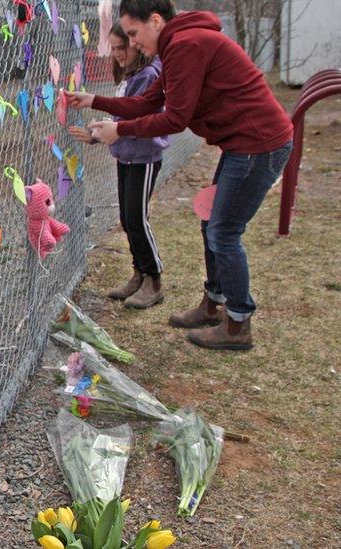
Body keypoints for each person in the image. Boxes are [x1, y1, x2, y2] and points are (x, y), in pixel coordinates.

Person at [66, 0, 293, 351]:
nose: (133, 42)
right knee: (211, 223)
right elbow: (146, 103)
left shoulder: (186, 46)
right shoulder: (176, 46)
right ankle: (214, 302)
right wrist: (94, 99)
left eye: (133, 33)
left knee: (224, 231)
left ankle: (238, 323)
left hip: (257, 144)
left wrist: (120, 131)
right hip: (243, 144)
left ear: (155, 21)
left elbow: (175, 118)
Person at [68, 23, 170, 309]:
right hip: (126, 155)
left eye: (120, 47)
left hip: (144, 156)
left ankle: (154, 279)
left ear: (135, 44)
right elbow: (120, 120)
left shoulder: (149, 75)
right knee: (127, 218)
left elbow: (139, 119)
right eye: (112, 49)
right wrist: (96, 136)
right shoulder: (130, 75)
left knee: (137, 218)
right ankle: (139, 273)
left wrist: (104, 131)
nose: (116, 54)